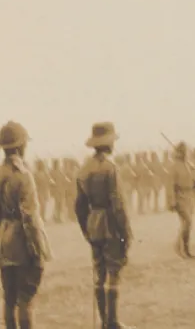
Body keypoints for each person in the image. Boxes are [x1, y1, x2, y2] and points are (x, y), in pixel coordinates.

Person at [0, 121, 52, 329]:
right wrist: (38, 249)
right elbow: (30, 217)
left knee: (10, 297)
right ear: (20, 146)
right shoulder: (23, 175)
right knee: (26, 299)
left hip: (3, 238)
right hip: (22, 240)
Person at [74, 122, 134, 329]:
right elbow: (118, 204)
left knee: (99, 273)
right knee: (114, 271)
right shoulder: (110, 168)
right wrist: (126, 231)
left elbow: (79, 206)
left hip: (94, 224)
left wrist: (86, 229)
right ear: (108, 143)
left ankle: (104, 321)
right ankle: (112, 321)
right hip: (110, 223)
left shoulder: (83, 169)